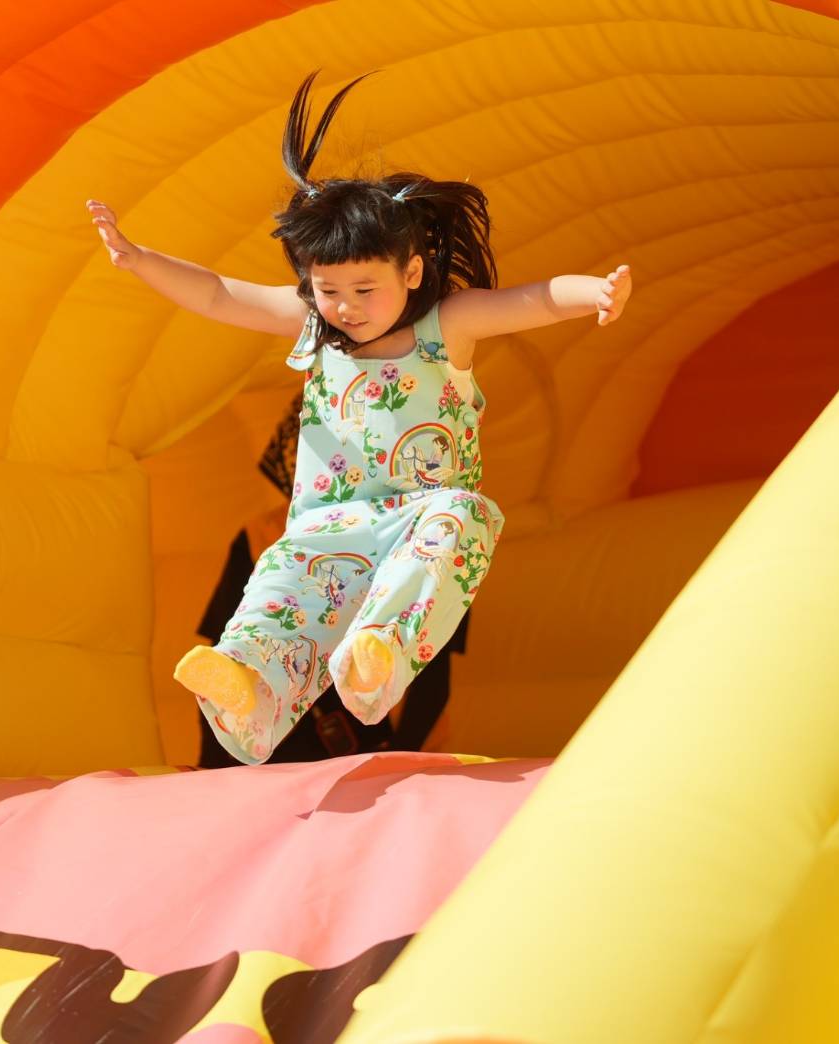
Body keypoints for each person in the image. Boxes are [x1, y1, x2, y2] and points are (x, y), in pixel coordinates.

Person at [88, 70, 633, 765]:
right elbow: (221, 295)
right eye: (328, 290)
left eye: (364, 289)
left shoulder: (444, 327)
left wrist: (594, 293)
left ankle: (379, 649)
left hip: (419, 515)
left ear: (412, 273)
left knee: (461, 517)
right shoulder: (315, 327)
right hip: (330, 522)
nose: (345, 306)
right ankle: (247, 685)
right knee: (280, 587)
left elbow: (529, 301)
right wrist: (139, 259)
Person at [193, 389, 469, 767]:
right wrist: (216, 772)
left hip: (392, 747)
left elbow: (432, 668)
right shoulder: (261, 536)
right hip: (279, 758)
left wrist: (400, 755)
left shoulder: (430, 532)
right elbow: (225, 662)